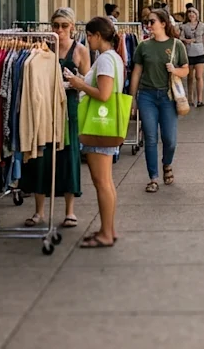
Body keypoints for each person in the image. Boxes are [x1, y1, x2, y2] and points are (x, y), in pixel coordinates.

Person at [20, 8, 90, 229]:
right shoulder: (43, 48)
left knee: (68, 158)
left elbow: (86, 83)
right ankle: (39, 211)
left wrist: (72, 83)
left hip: (68, 109)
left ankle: (70, 211)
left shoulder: (80, 51)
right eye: (56, 25)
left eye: (64, 26)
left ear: (72, 27)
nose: (59, 30)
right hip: (45, 108)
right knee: (41, 157)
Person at [65, 17, 125, 247]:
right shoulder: (112, 58)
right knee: (106, 182)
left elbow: (104, 94)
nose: (87, 40)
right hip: (105, 124)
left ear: (98, 35)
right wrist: (79, 80)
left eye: (89, 35)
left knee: (102, 182)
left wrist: (79, 85)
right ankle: (107, 229)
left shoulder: (106, 60)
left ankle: (106, 233)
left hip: (100, 123)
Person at [129, 9, 189, 193]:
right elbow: (137, 72)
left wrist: (174, 70)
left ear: (163, 23)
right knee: (150, 138)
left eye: (152, 22)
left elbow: (186, 70)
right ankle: (153, 177)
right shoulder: (143, 46)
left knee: (169, 139)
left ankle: (167, 164)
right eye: (147, 22)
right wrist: (132, 99)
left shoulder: (177, 45)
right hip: (147, 95)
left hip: (168, 97)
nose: (148, 25)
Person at [179, 8, 204, 107]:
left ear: (197, 15)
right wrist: (186, 40)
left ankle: (200, 99)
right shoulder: (184, 26)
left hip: (200, 53)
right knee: (190, 77)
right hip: (189, 53)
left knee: (199, 76)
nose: (192, 15)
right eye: (190, 13)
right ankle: (190, 98)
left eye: (193, 13)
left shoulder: (202, 26)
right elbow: (180, 38)